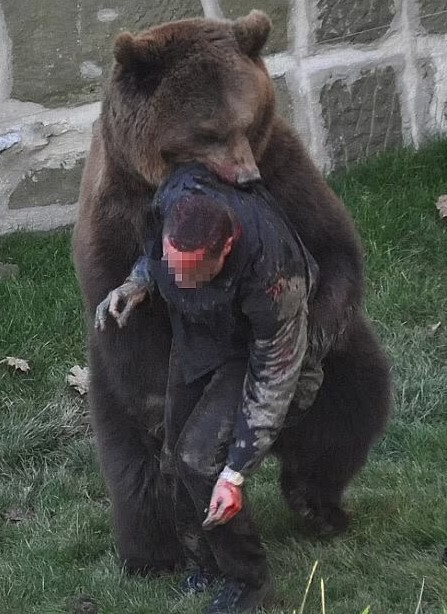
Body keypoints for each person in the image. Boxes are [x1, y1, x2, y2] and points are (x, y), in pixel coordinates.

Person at [95, 163, 322, 614]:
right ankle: (209, 562)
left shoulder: (276, 276)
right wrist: (138, 282)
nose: (176, 281)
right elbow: (156, 259)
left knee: (203, 461)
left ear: (227, 249)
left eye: (191, 271)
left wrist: (236, 472)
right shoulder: (174, 199)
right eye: (173, 268)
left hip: (255, 356)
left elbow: (274, 379)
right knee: (174, 455)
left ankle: (248, 577)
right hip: (200, 337)